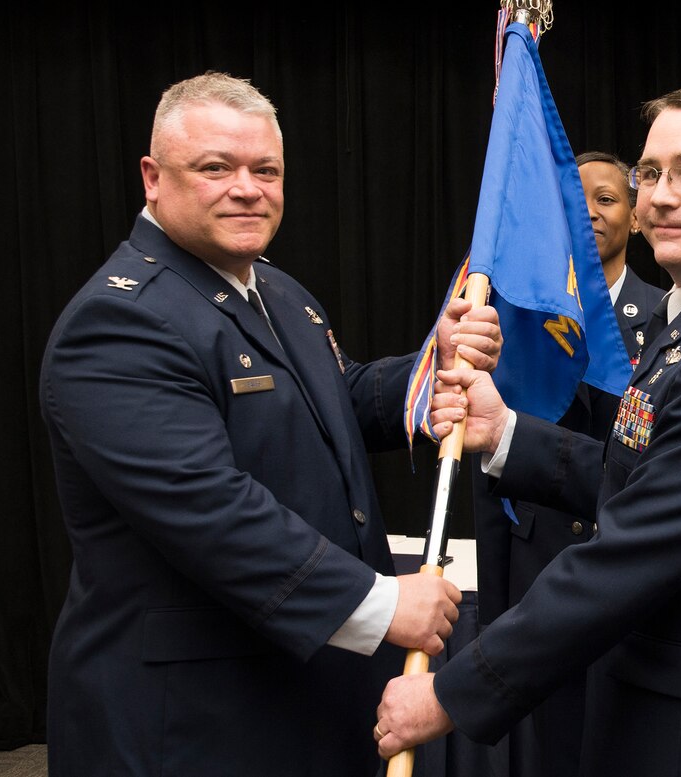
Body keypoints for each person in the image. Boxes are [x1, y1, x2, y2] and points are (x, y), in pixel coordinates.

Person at [376, 85, 681, 776]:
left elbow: (629, 556)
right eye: (650, 173)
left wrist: (452, 691)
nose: (659, 195)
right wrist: (506, 430)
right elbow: (633, 478)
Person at [39, 72, 501, 776]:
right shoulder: (121, 321)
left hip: (297, 691)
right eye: (215, 168)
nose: (247, 188)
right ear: (152, 178)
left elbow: (330, 401)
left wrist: (424, 374)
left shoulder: (275, 290)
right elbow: (209, 508)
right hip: (192, 719)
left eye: (266, 169)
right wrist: (379, 602)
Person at [471, 150, 663, 777]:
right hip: (536, 574)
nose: (588, 212)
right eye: (573, 201)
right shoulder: (513, 323)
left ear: (635, 217)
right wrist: (497, 613)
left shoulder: (667, 319)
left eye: (606, 199)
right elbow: (490, 467)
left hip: (624, 576)